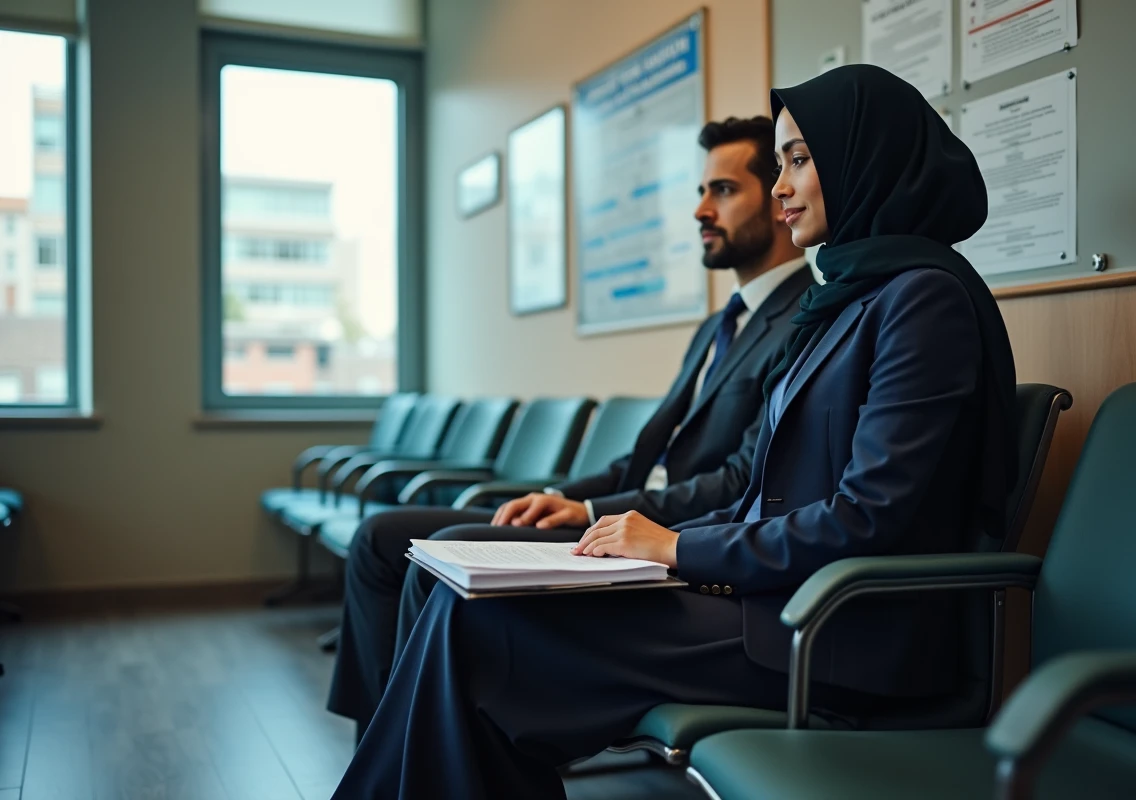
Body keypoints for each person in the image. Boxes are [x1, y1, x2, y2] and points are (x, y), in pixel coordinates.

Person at [332, 64, 1018, 799]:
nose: (784, 186)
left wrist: (677, 547)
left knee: (476, 631)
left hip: (833, 633)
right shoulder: (849, 299)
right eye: (781, 163)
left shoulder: (922, 300)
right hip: (763, 600)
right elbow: (762, 493)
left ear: (865, 155)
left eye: (798, 160)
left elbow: (871, 516)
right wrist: (656, 549)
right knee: (461, 606)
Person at [327, 116, 815, 739]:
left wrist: (590, 511)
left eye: (721, 191)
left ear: (776, 201)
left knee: (439, 557)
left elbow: (739, 483)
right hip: (621, 515)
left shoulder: (803, 320)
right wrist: (569, 497)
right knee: (383, 539)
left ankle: (401, 752)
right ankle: (387, 747)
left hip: (671, 537)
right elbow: (647, 455)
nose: (700, 209)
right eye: (700, 191)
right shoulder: (719, 326)